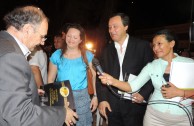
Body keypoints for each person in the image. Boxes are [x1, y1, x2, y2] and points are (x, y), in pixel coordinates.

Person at [0, 6, 78, 126]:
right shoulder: (12, 57)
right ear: (28, 29)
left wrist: (28, 90)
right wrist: (62, 113)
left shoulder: (3, 43)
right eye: (42, 36)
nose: (42, 42)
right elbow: (21, 115)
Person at [98, 29, 194, 126]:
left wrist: (181, 92)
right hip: (153, 117)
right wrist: (113, 81)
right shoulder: (152, 66)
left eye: (159, 43)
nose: (155, 48)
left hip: (182, 118)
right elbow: (132, 87)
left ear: (171, 44)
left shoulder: (189, 64)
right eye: (154, 45)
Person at [96, 13, 154, 126]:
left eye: (115, 26)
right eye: (109, 27)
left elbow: (152, 74)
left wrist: (143, 94)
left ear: (126, 27)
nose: (111, 30)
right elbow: (100, 77)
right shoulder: (106, 50)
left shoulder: (142, 46)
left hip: (135, 102)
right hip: (112, 103)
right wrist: (102, 99)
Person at [48, 23, 98, 126]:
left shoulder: (87, 55)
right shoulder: (57, 54)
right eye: (69, 36)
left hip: (82, 97)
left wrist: (95, 96)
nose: (71, 39)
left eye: (75, 37)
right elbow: (50, 79)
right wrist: (52, 101)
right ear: (65, 36)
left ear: (81, 40)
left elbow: (94, 76)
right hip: (62, 96)